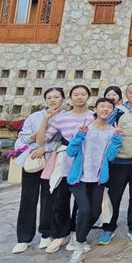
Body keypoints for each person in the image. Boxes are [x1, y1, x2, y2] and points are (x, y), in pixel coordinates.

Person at [64, 98, 122, 263]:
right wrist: (79, 135)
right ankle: (79, 245)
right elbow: (71, 151)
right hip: (79, 177)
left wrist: (117, 139)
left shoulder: (111, 131)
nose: (105, 109)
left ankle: (79, 236)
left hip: (97, 178)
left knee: (96, 211)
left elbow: (110, 157)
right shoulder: (85, 127)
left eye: (109, 107)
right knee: (85, 209)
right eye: (102, 106)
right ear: (95, 108)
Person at [37, 84, 95, 253]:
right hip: (66, 160)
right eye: (76, 94)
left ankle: (77, 233)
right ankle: (59, 235)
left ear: (88, 96)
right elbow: (43, 139)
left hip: (87, 161)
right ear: (70, 97)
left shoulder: (93, 116)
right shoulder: (61, 118)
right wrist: (46, 119)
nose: (79, 97)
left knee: (82, 201)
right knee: (61, 199)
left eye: (83, 94)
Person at [10, 87, 63, 252]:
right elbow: (23, 137)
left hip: (52, 160)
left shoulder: (65, 116)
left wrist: (45, 148)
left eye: (56, 97)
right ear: (45, 100)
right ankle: (24, 238)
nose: (53, 100)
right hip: (32, 159)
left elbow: (64, 140)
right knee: (28, 197)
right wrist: (34, 137)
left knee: (50, 197)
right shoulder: (35, 117)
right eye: (49, 97)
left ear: (63, 98)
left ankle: (46, 234)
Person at [96, 82, 132, 246]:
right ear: (126, 94)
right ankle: (108, 228)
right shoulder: (117, 111)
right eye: (131, 92)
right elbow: (104, 125)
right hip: (118, 162)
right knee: (114, 196)